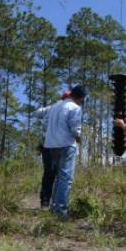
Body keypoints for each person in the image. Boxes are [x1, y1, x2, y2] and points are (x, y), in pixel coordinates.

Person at [43, 85, 87, 217]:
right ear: (81, 98)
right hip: (66, 144)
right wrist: (79, 138)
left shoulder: (55, 106)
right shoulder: (75, 108)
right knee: (66, 178)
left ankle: (54, 206)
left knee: (59, 176)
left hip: (51, 145)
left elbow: (44, 124)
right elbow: (75, 128)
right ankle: (61, 210)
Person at [38, 89, 71, 208]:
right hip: (55, 145)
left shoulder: (55, 108)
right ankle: (50, 203)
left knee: (52, 174)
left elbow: (38, 113)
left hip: (51, 145)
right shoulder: (62, 108)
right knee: (56, 174)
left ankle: (49, 202)